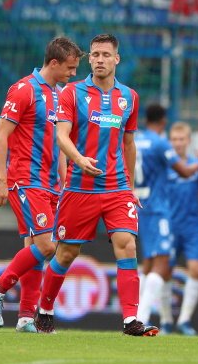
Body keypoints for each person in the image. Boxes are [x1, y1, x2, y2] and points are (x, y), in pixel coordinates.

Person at [32, 34, 155, 336]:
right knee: (66, 253)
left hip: (116, 188)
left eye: (105, 54)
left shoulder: (130, 97)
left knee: (126, 245)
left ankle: (130, 320)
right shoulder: (72, 93)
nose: (99, 59)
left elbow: (129, 143)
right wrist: (80, 159)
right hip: (79, 186)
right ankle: (44, 309)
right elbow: (61, 136)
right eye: (95, 54)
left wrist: (131, 186)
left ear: (117, 59)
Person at [0, 37, 83, 333]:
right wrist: (1, 178)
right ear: (53, 63)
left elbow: (59, 140)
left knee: (33, 245)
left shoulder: (60, 94)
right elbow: (1, 135)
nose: (73, 74)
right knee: (48, 246)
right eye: (70, 68)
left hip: (50, 183)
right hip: (26, 180)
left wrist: (63, 177)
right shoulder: (24, 90)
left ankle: (26, 317)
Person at [134, 104, 198, 328]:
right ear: (163, 122)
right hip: (158, 209)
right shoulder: (159, 142)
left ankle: (138, 316)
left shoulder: (135, 140)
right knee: (161, 265)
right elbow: (184, 171)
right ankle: (141, 318)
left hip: (140, 206)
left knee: (148, 264)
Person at [164, 121, 198, 335]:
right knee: (164, 271)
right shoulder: (166, 165)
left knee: (197, 269)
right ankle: (166, 320)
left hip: (192, 226)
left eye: (181, 139)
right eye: (174, 139)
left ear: (189, 141)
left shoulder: (197, 165)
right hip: (169, 225)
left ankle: (184, 320)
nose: (178, 143)